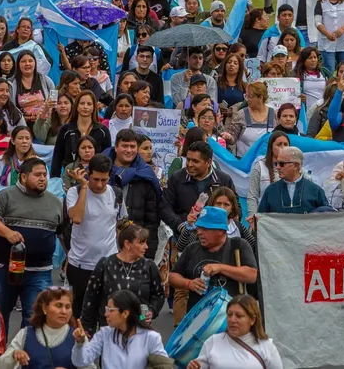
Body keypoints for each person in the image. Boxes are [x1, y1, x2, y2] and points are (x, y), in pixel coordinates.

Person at [0, 158, 63, 336]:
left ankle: (26, 359)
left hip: (40, 271)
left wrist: (69, 257)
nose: (42, 179)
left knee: (35, 320)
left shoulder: (55, 202)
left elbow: (63, 233)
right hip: (5, 270)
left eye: (45, 175)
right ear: (23, 177)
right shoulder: (6, 195)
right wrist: (7, 232)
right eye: (37, 175)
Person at [80, 224, 165, 335]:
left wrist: (151, 311)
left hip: (138, 330)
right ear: (127, 244)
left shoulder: (149, 266)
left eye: (146, 242)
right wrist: (87, 330)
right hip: (109, 331)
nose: (146, 247)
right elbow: (90, 300)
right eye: (141, 243)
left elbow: (159, 295)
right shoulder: (106, 264)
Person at [170, 206, 258, 311]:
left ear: (220, 230)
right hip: (197, 318)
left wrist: (220, 268)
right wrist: (189, 284)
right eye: (199, 228)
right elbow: (172, 276)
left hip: (229, 318)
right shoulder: (192, 248)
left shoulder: (239, 245)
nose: (199, 232)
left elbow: (252, 275)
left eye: (205, 229)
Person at [64, 154, 118, 318]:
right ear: (88, 173)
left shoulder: (115, 193)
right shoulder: (75, 192)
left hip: (108, 265)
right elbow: (77, 218)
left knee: (106, 315)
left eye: (104, 180)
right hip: (80, 265)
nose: (100, 184)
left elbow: (120, 223)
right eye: (95, 179)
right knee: (79, 315)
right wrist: (84, 186)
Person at [72, 289, 168, 368]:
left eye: (110, 310)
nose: (106, 314)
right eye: (106, 309)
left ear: (125, 313)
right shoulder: (104, 334)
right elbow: (81, 362)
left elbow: (164, 366)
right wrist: (80, 344)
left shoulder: (151, 337)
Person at [160, 140, 237, 236]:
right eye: (188, 160)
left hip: (216, 237)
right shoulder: (176, 178)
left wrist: (229, 221)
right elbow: (165, 206)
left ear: (208, 162)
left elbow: (236, 206)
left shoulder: (223, 180)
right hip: (184, 238)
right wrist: (180, 225)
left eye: (195, 161)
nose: (190, 164)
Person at [105, 129, 162, 258]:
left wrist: (148, 252)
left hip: (134, 246)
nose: (129, 150)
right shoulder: (103, 171)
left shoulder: (146, 176)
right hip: (105, 244)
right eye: (125, 146)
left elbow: (152, 220)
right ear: (116, 147)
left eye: (132, 146)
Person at [188, 294, 284, 369]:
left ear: (252, 320)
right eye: (229, 315)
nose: (232, 320)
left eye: (239, 316)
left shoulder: (266, 347)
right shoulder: (213, 341)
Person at [0, 288, 79, 369]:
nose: (64, 311)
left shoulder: (77, 337)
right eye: (58, 305)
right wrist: (13, 355)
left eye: (68, 307)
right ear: (44, 308)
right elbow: (1, 365)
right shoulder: (25, 334)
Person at [257, 147, 330, 214]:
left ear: (296, 166)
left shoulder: (316, 191)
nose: (277, 167)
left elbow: (326, 219)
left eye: (282, 164)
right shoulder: (270, 190)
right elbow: (261, 219)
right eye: (276, 163)